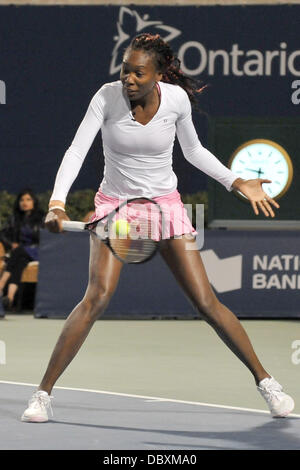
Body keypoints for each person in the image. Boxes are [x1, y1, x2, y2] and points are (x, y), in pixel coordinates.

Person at [21, 33, 294, 422]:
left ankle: (267, 383)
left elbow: (194, 151)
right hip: (115, 207)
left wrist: (236, 181)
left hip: (165, 207)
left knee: (207, 303)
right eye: (124, 70)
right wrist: (57, 203)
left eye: (138, 73)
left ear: (159, 74)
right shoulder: (105, 97)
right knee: (97, 296)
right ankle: (42, 394)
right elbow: (77, 149)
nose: (128, 79)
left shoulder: (177, 101)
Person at [0, 188, 45, 312]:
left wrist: (17, 247)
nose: (24, 202)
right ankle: (9, 297)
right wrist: (11, 243)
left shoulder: (41, 217)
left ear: (34, 202)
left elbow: (45, 237)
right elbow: (2, 233)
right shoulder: (15, 218)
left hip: (38, 250)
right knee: (19, 263)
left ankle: (1, 284)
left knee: (19, 251)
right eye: (22, 200)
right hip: (21, 253)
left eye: (28, 199)